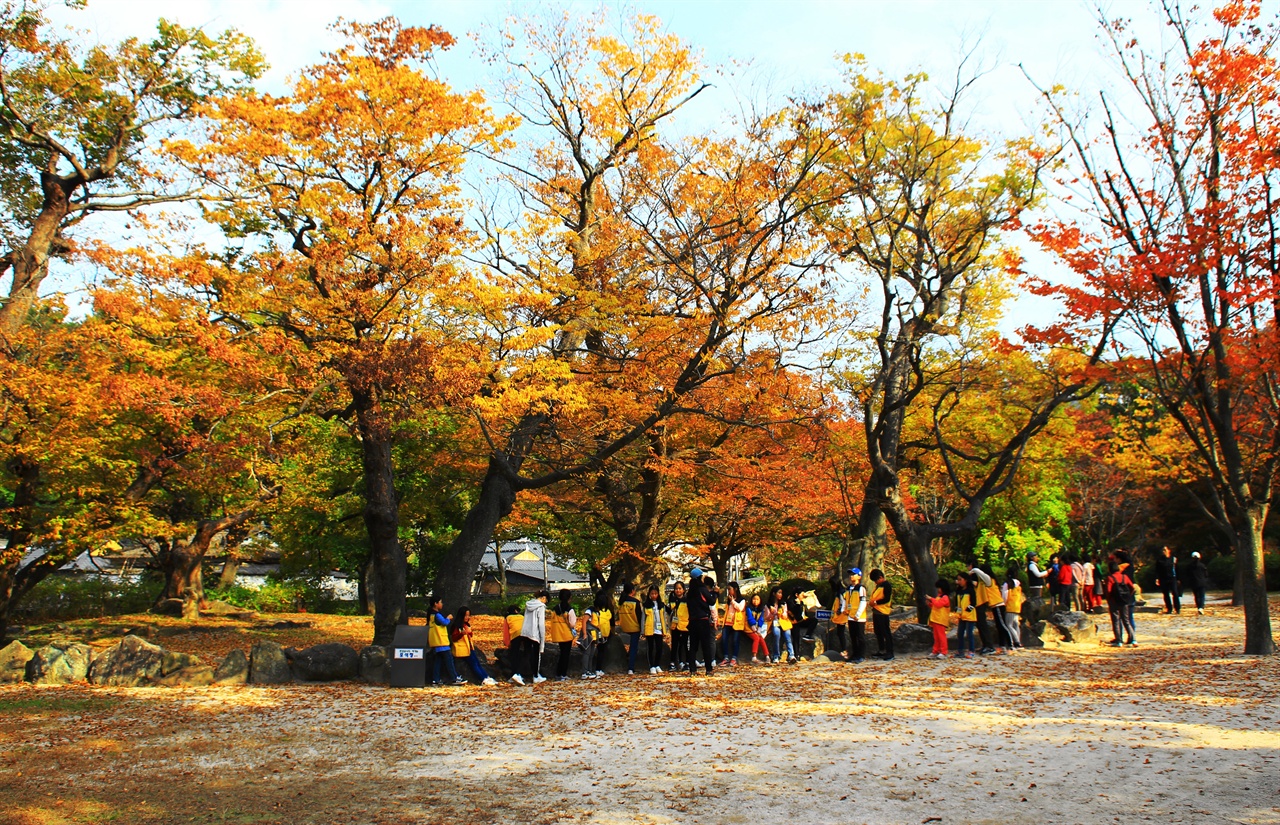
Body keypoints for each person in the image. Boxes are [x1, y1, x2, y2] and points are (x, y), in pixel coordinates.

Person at [450, 606, 497, 686]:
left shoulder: (466, 625)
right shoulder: (457, 626)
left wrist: (469, 633)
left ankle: (486, 677)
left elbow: (470, 635)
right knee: (474, 664)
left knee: (477, 663)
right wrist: (461, 634)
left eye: (468, 615)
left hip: (470, 647)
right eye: (466, 615)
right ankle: (483, 678)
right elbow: (454, 638)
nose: (467, 617)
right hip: (463, 649)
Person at [970, 564, 1010, 654]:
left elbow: (981, 574)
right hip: (994, 605)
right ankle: (1002, 646)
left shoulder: (989, 580)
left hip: (998, 604)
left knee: (1003, 625)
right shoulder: (982, 582)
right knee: (999, 626)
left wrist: (974, 570)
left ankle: (1011, 645)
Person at [511, 589, 549, 685]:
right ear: (543, 598)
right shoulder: (541, 607)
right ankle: (535, 676)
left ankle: (519, 674)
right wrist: (542, 638)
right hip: (534, 633)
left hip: (525, 632)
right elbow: (541, 624)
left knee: (526, 654)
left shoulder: (529, 604)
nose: (546, 602)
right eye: (546, 600)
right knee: (535, 655)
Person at [685, 568, 717, 676]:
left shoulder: (689, 592)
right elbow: (711, 601)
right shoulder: (702, 589)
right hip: (703, 620)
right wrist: (715, 593)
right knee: (705, 646)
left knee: (693, 646)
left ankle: (692, 670)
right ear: (700, 577)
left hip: (692, 621)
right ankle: (709, 669)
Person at [1105, 551, 1137, 646]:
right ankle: (1133, 639)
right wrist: (1128, 596)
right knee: (1126, 620)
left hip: (1114, 601)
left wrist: (1109, 599)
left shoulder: (1110, 578)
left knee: (1116, 620)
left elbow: (1108, 590)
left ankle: (1119, 640)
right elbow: (1132, 588)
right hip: (1125, 601)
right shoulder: (1125, 576)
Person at [428, 596, 461, 685]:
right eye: (440, 602)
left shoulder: (430, 615)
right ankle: (454, 678)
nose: (442, 604)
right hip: (442, 642)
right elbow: (445, 622)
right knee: (449, 660)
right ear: (436, 604)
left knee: (438, 661)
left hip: (435, 642)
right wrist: (448, 618)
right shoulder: (437, 615)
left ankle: (436, 679)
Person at [549, 590, 578, 681]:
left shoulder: (555, 608)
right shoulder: (569, 609)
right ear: (569, 598)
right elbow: (572, 623)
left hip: (558, 633)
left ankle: (558, 674)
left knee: (562, 654)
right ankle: (563, 674)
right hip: (566, 634)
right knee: (565, 655)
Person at [617, 582, 644, 675]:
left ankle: (628, 661)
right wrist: (642, 628)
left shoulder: (621, 602)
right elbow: (639, 616)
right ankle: (631, 668)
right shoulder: (635, 602)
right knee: (633, 647)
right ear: (632, 591)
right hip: (634, 627)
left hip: (624, 626)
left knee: (630, 647)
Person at [868, 569, 894, 660]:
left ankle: (890, 652)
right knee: (878, 632)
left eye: (876, 580)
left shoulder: (886, 585)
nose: (875, 582)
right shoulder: (878, 586)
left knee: (885, 632)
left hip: (883, 612)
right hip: (876, 611)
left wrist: (875, 602)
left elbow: (886, 599)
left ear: (881, 577)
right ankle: (881, 649)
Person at [786, 588, 818, 660]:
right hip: (793, 622)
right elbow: (795, 614)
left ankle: (807, 635)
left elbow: (804, 613)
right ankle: (796, 654)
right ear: (796, 595)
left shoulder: (801, 602)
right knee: (796, 636)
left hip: (801, 620)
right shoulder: (790, 602)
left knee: (814, 620)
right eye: (801, 594)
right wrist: (797, 604)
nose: (803, 596)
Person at [766, 586, 795, 664]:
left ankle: (791, 655)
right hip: (775, 622)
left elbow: (785, 615)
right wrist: (772, 613)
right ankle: (776, 656)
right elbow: (767, 617)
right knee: (776, 634)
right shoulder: (768, 605)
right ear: (774, 594)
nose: (780, 595)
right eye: (779, 593)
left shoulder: (783, 603)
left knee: (787, 635)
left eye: (781, 593)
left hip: (783, 622)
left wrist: (782, 612)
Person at [642, 585, 667, 674]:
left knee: (659, 648)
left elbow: (664, 617)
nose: (654, 595)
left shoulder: (661, 605)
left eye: (655, 593)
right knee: (650, 648)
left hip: (659, 629)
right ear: (649, 594)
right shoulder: (646, 605)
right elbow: (643, 618)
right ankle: (651, 666)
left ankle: (657, 665)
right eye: (652, 593)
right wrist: (643, 631)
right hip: (650, 629)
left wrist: (665, 630)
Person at [720, 581, 745, 666]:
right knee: (724, 639)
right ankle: (726, 657)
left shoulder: (742, 600)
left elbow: (740, 608)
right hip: (727, 622)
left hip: (736, 623)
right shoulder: (728, 600)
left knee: (735, 640)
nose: (729, 591)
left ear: (735, 589)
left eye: (730, 589)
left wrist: (733, 601)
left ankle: (734, 658)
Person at [954, 571, 978, 659]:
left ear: (966, 580)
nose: (959, 581)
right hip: (961, 616)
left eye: (960, 579)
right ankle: (960, 650)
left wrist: (967, 610)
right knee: (960, 633)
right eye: (958, 580)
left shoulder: (971, 590)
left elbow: (974, 603)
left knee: (969, 633)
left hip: (970, 616)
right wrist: (958, 612)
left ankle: (971, 650)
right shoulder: (958, 591)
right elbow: (957, 603)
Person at [846, 569, 868, 664]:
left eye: (854, 574)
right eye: (850, 574)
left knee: (860, 636)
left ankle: (861, 655)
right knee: (853, 637)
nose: (851, 576)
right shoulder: (848, 588)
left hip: (859, 617)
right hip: (850, 616)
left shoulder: (861, 588)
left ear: (859, 576)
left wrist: (858, 614)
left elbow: (863, 602)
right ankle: (854, 654)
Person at [668, 580, 690, 671]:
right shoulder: (672, 600)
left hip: (685, 625)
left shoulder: (687, 600)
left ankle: (684, 662)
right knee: (675, 645)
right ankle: (673, 662)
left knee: (684, 645)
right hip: (674, 626)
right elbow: (669, 612)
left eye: (680, 588)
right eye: (676, 589)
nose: (678, 590)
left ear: (684, 590)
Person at [1001, 568, 1025, 650]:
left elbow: (1005, 596)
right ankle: (1018, 641)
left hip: (1010, 606)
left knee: (1009, 625)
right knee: (1016, 625)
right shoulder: (1018, 584)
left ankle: (1017, 642)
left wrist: (1004, 603)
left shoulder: (1007, 584)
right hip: (1017, 606)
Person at [927, 580, 952, 658]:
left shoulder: (945, 597)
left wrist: (931, 599)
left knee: (941, 636)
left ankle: (943, 651)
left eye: (939, 588)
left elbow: (938, 604)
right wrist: (930, 604)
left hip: (941, 620)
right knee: (936, 637)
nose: (938, 589)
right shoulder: (939, 597)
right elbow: (935, 606)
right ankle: (936, 650)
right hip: (936, 619)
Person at [828, 573, 851, 659]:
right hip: (841, 616)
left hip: (841, 616)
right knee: (840, 633)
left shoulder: (840, 592)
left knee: (841, 633)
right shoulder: (842, 591)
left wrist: (839, 611)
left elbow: (842, 603)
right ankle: (843, 650)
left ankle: (844, 650)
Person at [744, 592, 770, 663]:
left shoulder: (762, 609)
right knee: (756, 638)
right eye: (754, 599)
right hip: (749, 627)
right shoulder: (749, 608)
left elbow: (761, 619)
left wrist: (759, 630)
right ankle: (754, 656)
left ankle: (767, 655)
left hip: (757, 628)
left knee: (761, 638)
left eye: (757, 599)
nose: (755, 601)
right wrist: (755, 630)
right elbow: (750, 619)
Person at [1155, 546, 1181, 615]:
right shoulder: (1159, 560)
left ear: (1169, 550)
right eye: (1163, 550)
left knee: (1175, 593)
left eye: (1165, 550)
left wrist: (1178, 579)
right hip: (1163, 578)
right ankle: (1169, 608)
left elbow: (1177, 569)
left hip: (1172, 578)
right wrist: (1157, 578)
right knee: (1166, 594)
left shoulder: (1173, 559)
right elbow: (1157, 570)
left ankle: (1177, 608)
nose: (1163, 551)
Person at [577, 604, 601, 679]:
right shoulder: (589, 611)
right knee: (586, 653)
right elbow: (584, 621)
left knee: (591, 653)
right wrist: (584, 634)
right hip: (587, 634)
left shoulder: (597, 612)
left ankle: (589, 670)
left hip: (593, 634)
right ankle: (584, 672)